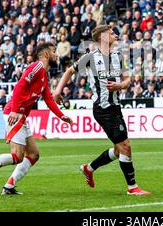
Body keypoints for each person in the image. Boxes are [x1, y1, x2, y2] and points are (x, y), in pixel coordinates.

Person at [54, 25, 151, 195]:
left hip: (115, 107)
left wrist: (120, 85)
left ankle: (89, 168)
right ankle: (132, 188)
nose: (115, 34)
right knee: (125, 146)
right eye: (111, 33)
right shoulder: (90, 57)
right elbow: (69, 71)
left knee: (117, 149)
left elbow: (128, 79)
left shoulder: (118, 57)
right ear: (102, 38)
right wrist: (57, 91)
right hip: (102, 108)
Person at [0, 43, 73, 195]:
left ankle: (9, 186)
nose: (56, 55)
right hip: (14, 113)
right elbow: (19, 87)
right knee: (17, 156)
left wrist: (61, 115)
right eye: (53, 52)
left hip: (20, 115)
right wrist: (15, 111)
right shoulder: (36, 67)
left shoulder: (44, 74)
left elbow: (49, 99)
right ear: (45, 54)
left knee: (33, 154)